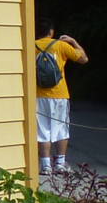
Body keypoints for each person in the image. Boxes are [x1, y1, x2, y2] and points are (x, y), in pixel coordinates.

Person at [35, 17, 88, 175]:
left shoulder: (31, 46)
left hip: (38, 95)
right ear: (51, 32)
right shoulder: (61, 46)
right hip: (60, 94)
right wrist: (73, 41)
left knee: (42, 130)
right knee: (61, 129)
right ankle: (60, 164)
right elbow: (84, 59)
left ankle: (45, 166)